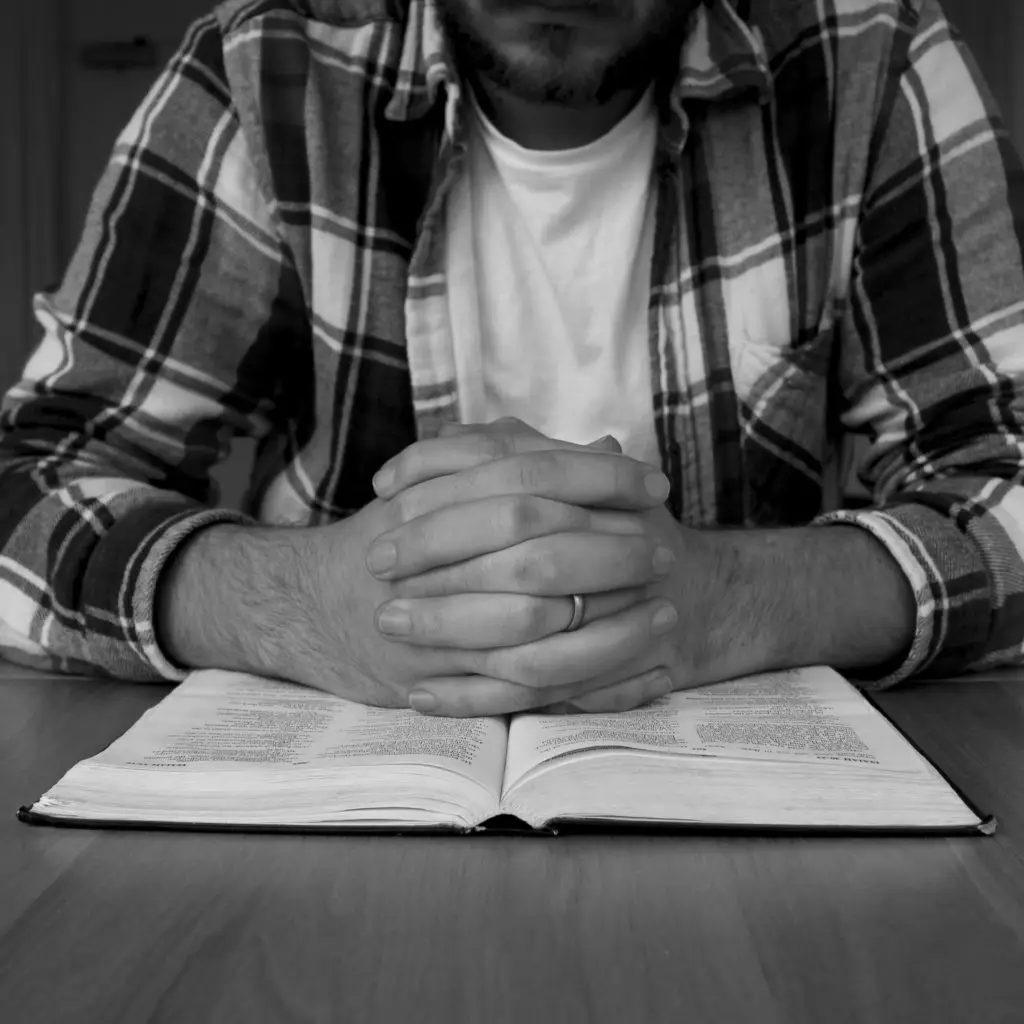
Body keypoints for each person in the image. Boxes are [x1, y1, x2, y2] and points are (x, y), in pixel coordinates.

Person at [1, 0, 1022, 718]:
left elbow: (1007, 469)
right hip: (334, 806)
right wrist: (302, 605)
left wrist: (728, 597)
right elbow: (27, 486)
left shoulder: (869, 54)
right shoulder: (264, 66)